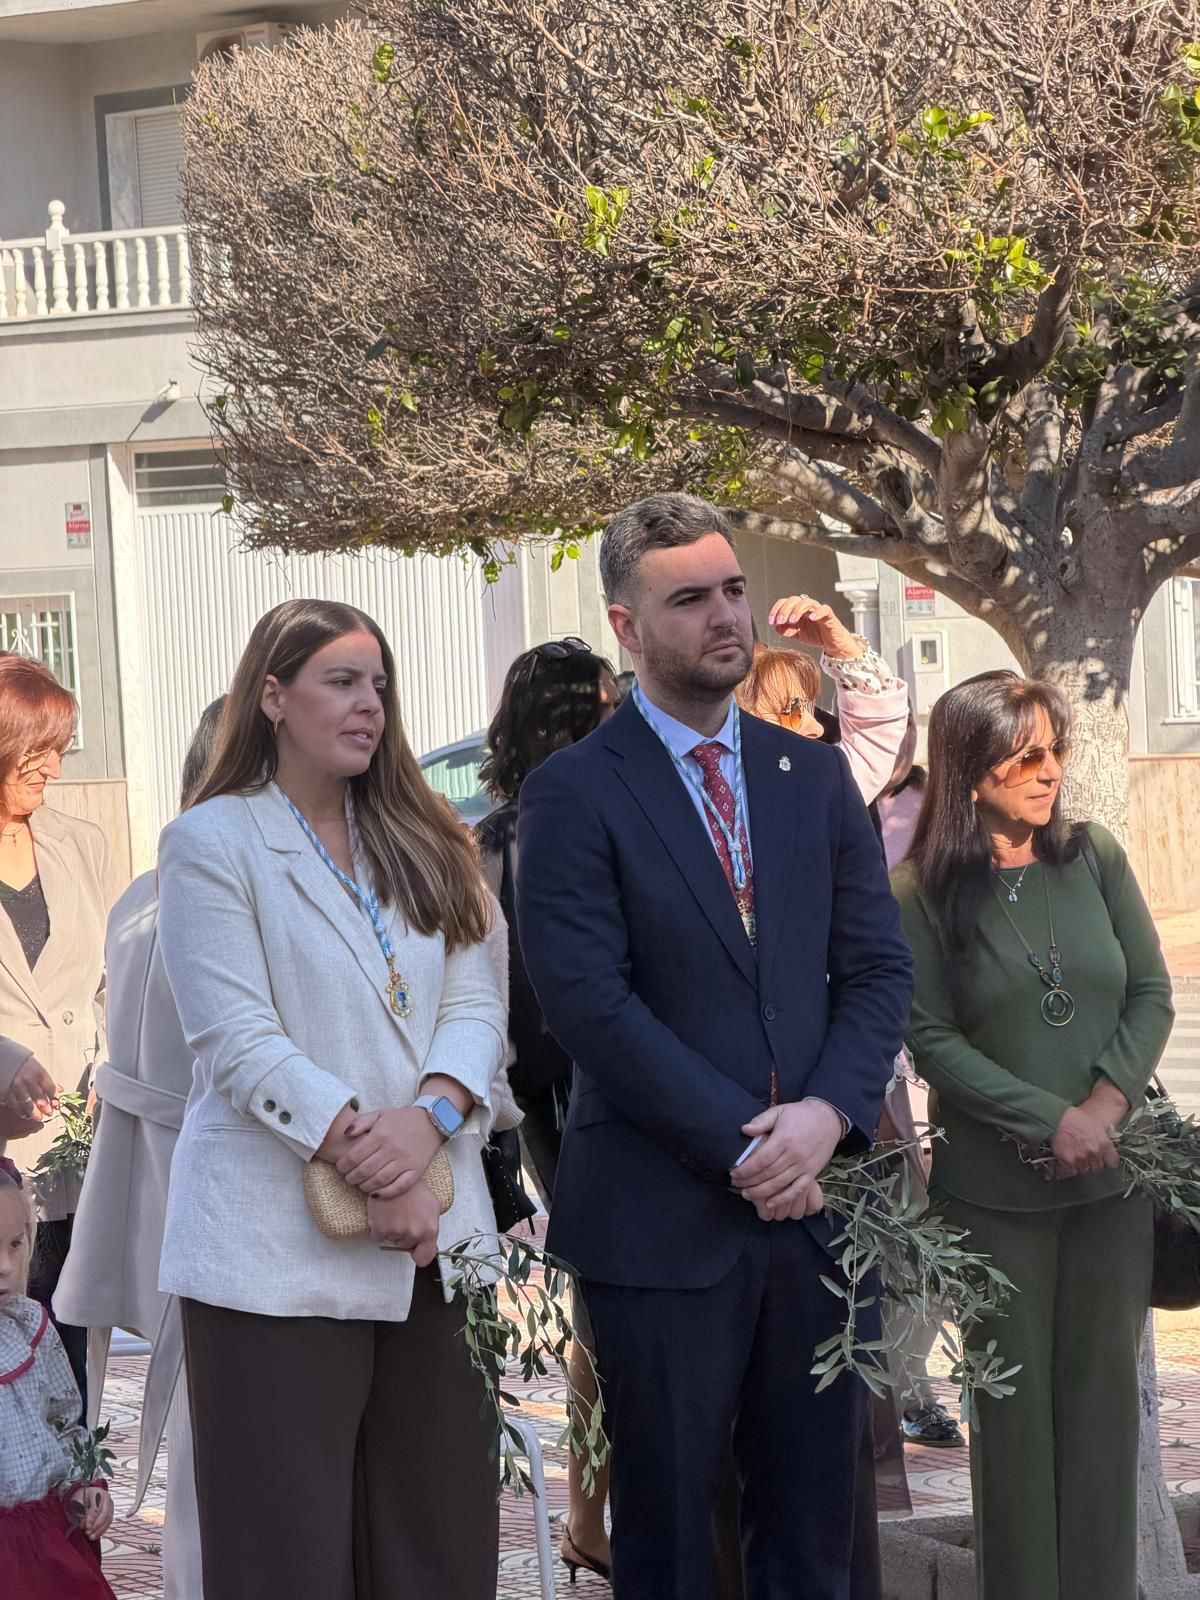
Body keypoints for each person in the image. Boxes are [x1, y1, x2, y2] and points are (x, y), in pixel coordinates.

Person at [517, 493, 913, 1599]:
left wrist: (827, 1117)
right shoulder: (573, 793)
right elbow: (589, 1006)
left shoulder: (812, 776)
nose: (725, 617)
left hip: (819, 1214)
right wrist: (746, 1146)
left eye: (732, 590)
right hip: (662, 1218)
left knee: (813, 1528)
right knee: (671, 1536)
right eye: (689, 599)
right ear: (628, 626)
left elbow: (878, 971)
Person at [153, 599, 508, 1600]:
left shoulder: (433, 836)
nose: (371, 706)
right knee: (285, 1557)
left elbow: (480, 1005)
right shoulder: (212, 842)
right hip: (273, 1255)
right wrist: (373, 1157)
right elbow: (236, 1040)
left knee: (439, 1547)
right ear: (272, 695)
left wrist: (427, 1125)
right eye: (342, 682)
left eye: (381, 686)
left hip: (437, 1246)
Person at [891, 669, 1173, 1600]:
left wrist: (1103, 1106)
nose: (1051, 770)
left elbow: (1149, 991)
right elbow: (927, 1039)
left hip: (1112, 1194)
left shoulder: (1094, 856)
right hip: (995, 1201)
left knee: (1101, 1428)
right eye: (1027, 756)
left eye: (1054, 750)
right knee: (1014, 1435)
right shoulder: (919, 892)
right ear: (971, 770)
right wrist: (1045, 1117)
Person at [54, 697, 226, 1600]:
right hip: (212, 1176)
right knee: (217, 1437)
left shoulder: (145, 889)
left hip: (167, 1172)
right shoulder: (193, 896)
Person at [477, 637, 619, 1584]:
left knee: (601, 1305)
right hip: (566, 1098)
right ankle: (590, 1516)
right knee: (607, 1305)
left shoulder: (496, 835)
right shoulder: (505, 837)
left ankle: (592, 1518)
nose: (619, 718)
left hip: (563, 1092)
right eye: (604, 705)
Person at [0, 653, 120, 1405]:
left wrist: (114, 1066)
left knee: (72, 1385)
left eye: (60, 746)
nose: (53, 764)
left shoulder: (84, 842)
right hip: (4, 1161)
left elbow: (111, 983)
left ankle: (73, 1521)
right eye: (34, 747)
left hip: (78, 1162)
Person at [0, 1166, 116, 1600]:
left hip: (44, 1551)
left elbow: (65, 1426)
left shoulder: (31, 1325)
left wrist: (80, 1488)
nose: (6, 1266)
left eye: (15, 1244)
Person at [738, 596, 910, 806]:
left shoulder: (812, 791)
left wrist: (843, 649)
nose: (817, 728)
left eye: (810, 707)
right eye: (793, 712)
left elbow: (873, 739)